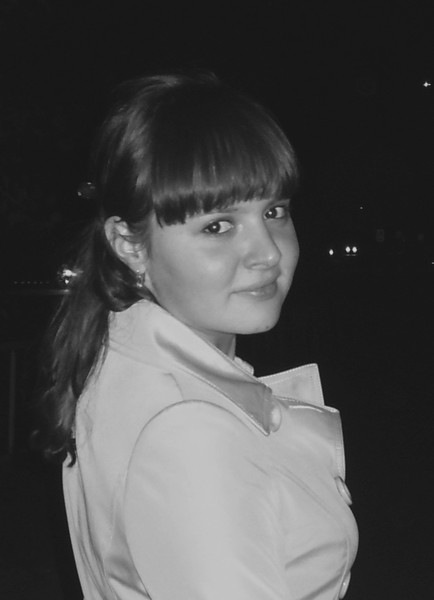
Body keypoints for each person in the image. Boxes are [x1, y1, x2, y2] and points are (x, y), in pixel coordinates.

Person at [37, 72, 358, 600]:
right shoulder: (190, 431)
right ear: (130, 244)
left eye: (274, 211)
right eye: (217, 225)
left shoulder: (124, 360)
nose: (268, 252)